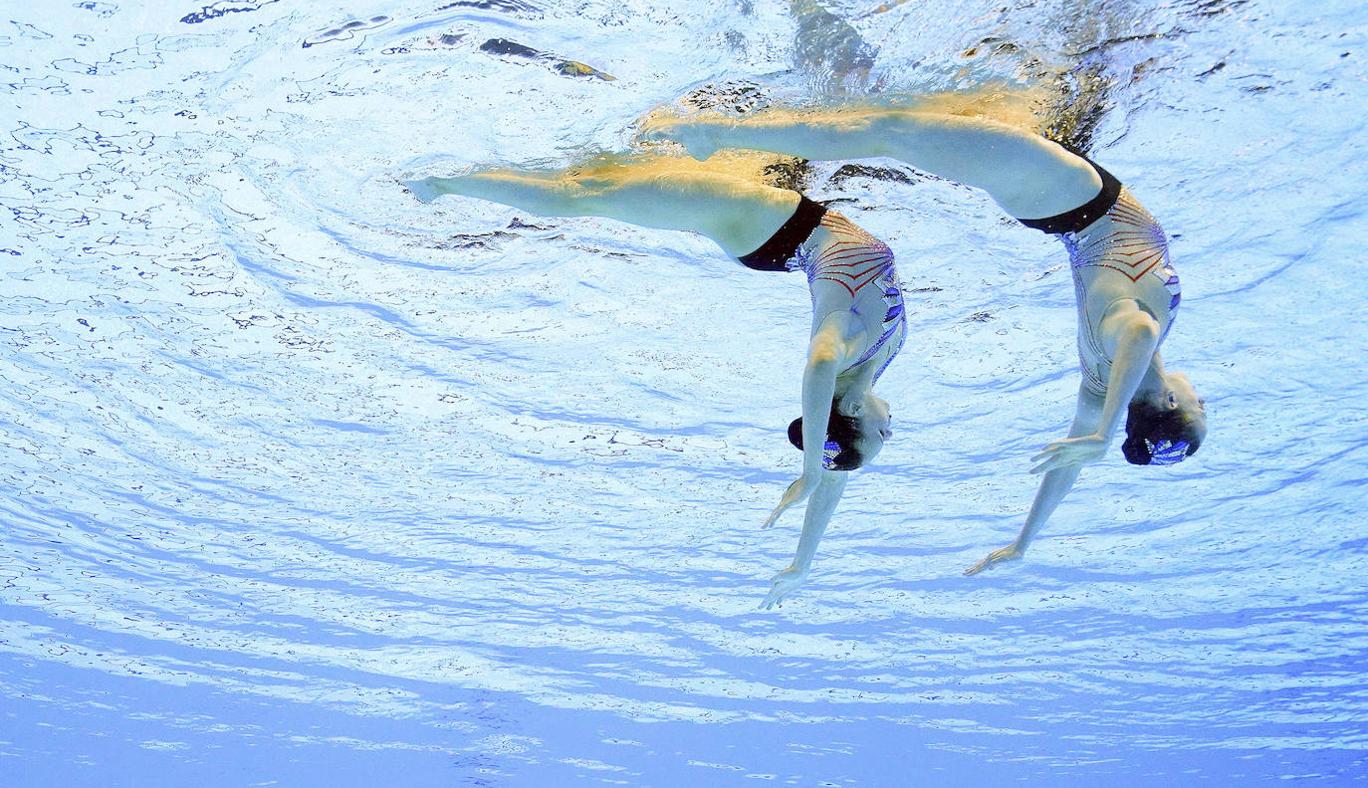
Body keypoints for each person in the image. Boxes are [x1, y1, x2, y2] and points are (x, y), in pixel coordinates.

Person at [638, 101, 1207, 573]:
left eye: (1200, 402)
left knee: (889, 131)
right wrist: (1024, 541)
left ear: (1175, 401)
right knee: (919, 126)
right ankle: (722, 138)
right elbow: (1067, 469)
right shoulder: (1098, 387)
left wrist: (1104, 433)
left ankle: (717, 133)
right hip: (1066, 205)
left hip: (1078, 200)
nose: (1199, 391)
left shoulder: (1124, 359)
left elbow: (1138, 329)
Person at [403, 150, 906, 606]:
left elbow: (818, 367)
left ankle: (438, 183)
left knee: (580, 197)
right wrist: (804, 563)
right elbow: (837, 475)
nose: (894, 429)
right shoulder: (868, 368)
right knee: (602, 175)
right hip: (786, 231)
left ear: (857, 413)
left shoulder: (850, 349)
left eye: (885, 435)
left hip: (771, 226)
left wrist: (812, 472)